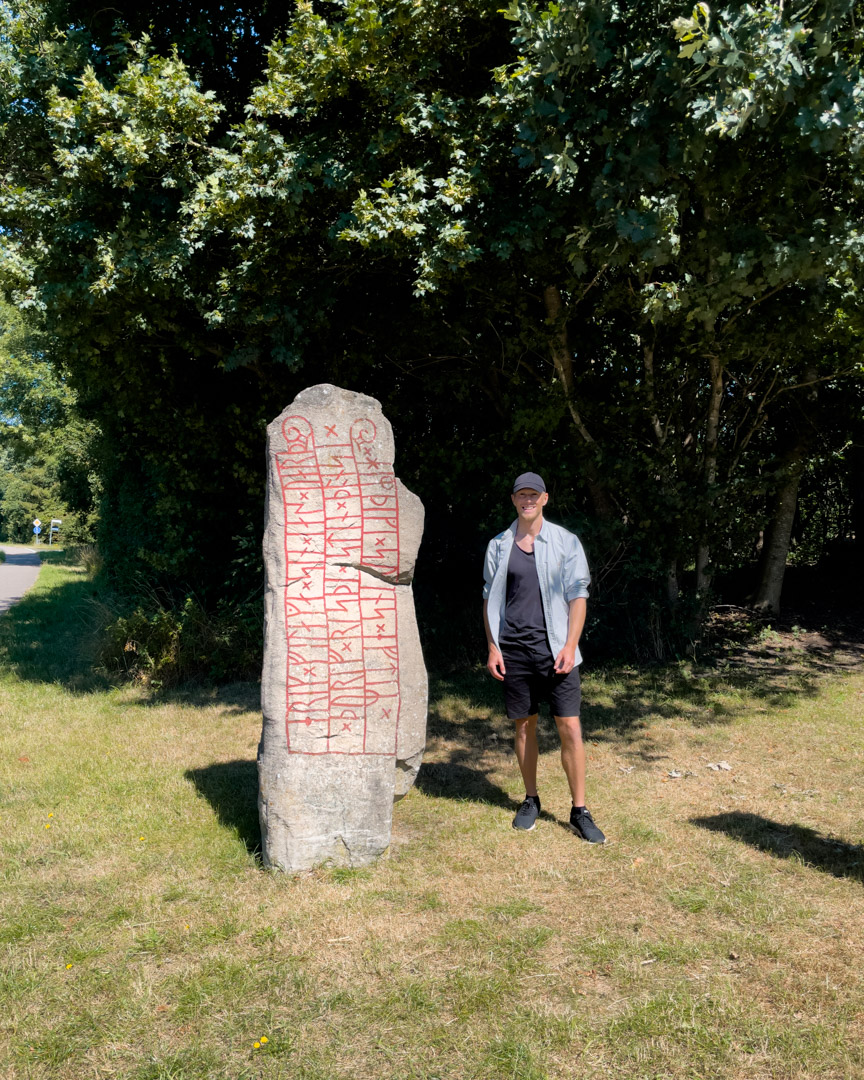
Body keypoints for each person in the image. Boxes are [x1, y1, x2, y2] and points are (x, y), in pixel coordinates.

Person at [482, 472, 606, 843]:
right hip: (514, 649)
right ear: (514, 499)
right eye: (521, 494)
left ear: (545, 499)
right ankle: (531, 799)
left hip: (557, 649)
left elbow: (578, 596)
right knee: (524, 726)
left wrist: (570, 645)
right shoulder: (499, 545)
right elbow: (490, 598)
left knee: (569, 727)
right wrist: (492, 646)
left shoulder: (566, 542)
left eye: (533, 495)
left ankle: (579, 810)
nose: (527, 500)